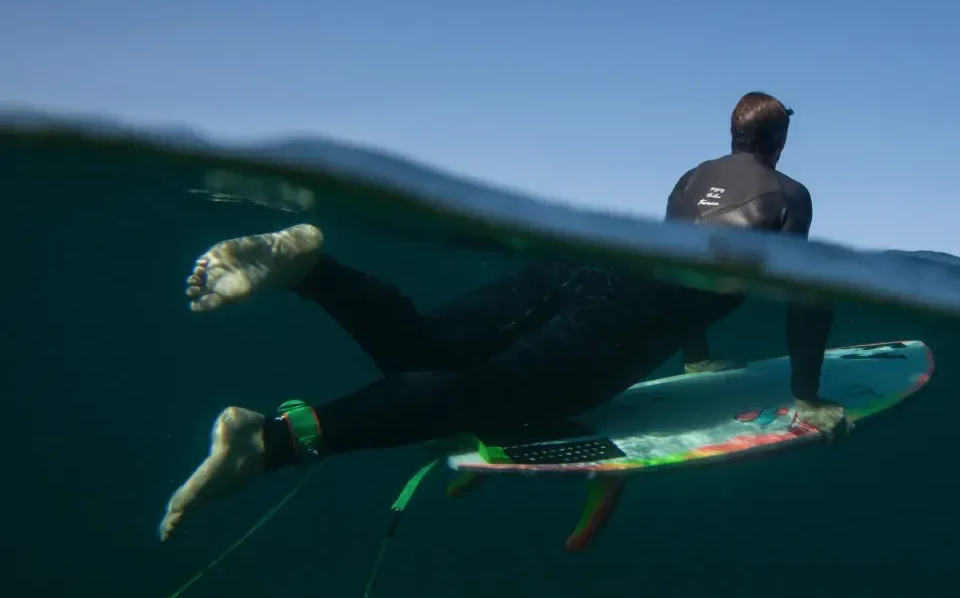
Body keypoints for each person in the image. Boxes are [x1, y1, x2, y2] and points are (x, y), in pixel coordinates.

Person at [159, 92, 849, 544]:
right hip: (619, 320)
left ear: (732, 131)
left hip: (577, 268)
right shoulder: (789, 195)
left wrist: (696, 354)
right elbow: (805, 289)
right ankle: (272, 442)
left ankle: (314, 271)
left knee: (424, 346)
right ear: (781, 137)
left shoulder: (695, 178)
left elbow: (678, 260)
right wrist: (809, 396)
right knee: (472, 398)